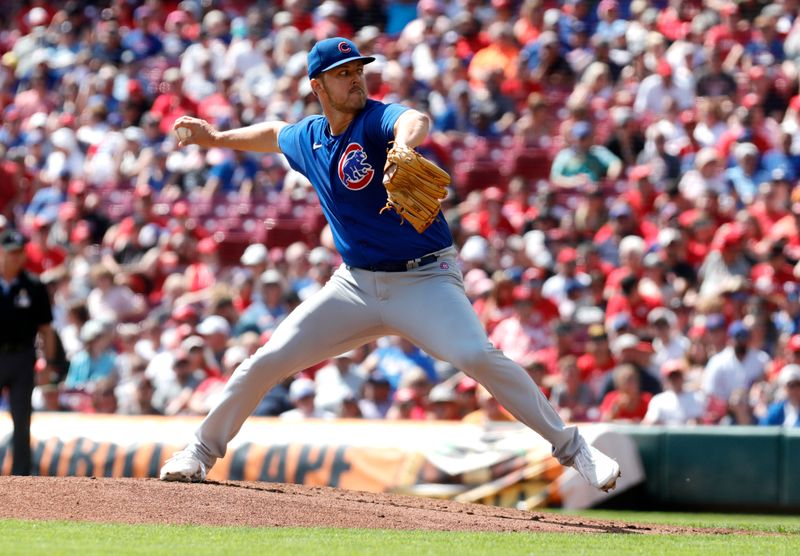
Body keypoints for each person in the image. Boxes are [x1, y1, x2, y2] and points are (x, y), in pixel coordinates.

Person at [159, 37, 620, 492]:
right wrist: (215, 137)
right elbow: (274, 134)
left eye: (358, 71)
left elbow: (413, 119)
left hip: (425, 279)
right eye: (343, 75)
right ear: (318, 86)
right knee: (267, 360)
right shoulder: (310, 138)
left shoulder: (377, 121)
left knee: (477, 355)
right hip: (355, 286)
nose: (355, 80)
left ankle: (575, 448)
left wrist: (402, 147)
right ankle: (198, 451)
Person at [0, 229, 56, 475]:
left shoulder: (34, 285)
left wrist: (48, 362)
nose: (17, 257)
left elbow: (46, 329)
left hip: (23, 357)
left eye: (20, 252)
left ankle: (21, 477)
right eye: (12, 252)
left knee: (22, 419)